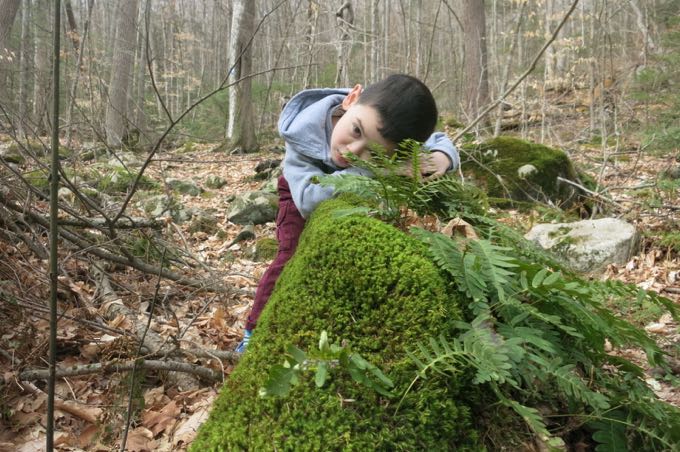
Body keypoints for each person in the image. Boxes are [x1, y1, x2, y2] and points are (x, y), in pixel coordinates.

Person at [235, 73, 460, 353]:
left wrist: (442, 158)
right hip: (299, 191)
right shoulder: (302, 130)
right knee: (289, 254)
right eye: (356, 131)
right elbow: (309, 200)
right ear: (351, 98)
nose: (352, 151)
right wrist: (378, 170)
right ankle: (251, 333)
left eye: (374, 153)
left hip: (352, 194)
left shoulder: (386, 129)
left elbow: (440, 140)